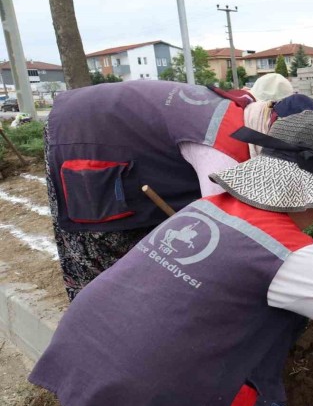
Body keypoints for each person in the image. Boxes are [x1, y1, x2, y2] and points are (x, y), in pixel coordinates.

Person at [30, 107, 313, 406]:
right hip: (151, 379)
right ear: (311, 197)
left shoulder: (205, 207)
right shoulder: (294, 254)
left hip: (89, 335)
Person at [45, 77, 293, 301]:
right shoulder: (225, 150)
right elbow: (221, 234)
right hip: (83, 134)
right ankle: (101, 323)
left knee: (159, 251)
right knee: (107, 259)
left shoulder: (244, 108)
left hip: (115, 128)